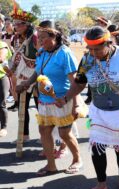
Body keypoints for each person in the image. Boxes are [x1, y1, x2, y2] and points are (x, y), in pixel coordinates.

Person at [55, 26, 119, 189]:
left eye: (97, 49)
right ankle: (101, 184)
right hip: (99, 111)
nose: (93, 52)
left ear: (108, 43)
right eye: (90, 49)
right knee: (97, 146)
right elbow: (79, 83)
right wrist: (66, 98)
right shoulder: (86, 60)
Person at [16, 20, 82, 176]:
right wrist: (26, 83)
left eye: (43, 38)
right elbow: (38, 72)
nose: (39, 41)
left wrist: (75, 105)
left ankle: (77, 159)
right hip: (45, 101)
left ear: (55, 36)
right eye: (38, 38)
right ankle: (51, 165)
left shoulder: (64, 53)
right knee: (44, 131)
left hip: (63, 100)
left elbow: (76, 82)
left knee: (64, 133)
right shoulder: (42, 53)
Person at [7, 9, 39, 142]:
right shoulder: (17, 38)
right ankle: (24, 135)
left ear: (27, 25)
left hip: (37, 76)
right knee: (22, 107)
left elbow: (42, 56)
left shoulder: (36, 37)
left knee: (41, 106)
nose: (16, 26)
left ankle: (46, 136)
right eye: (15, 24)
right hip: (22, 77)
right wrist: (12, 69)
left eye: (19, 24)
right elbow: (17, 57)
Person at [0, 39, 12, 137]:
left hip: (2, 78)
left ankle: (3, 127)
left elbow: (1, 58)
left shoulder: (2, 44)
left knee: (1, 104)